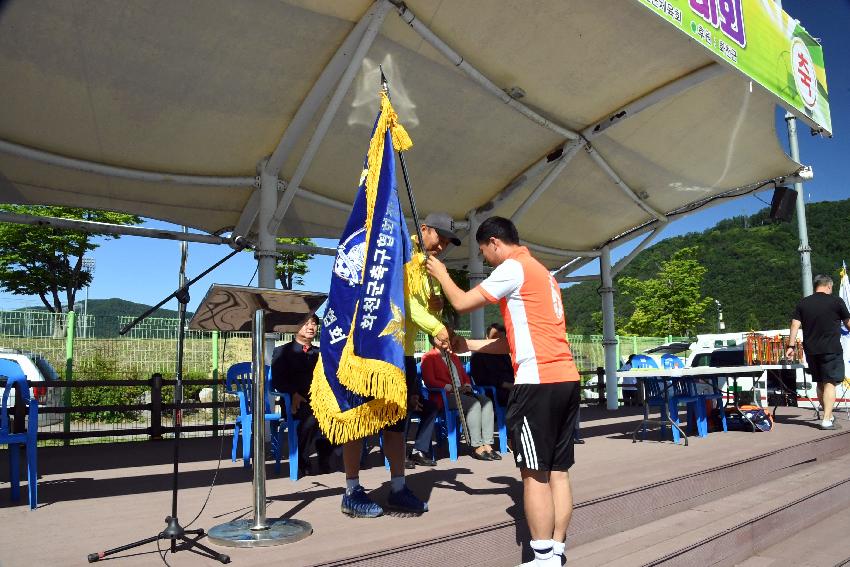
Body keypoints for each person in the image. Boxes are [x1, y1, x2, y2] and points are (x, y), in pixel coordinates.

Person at [427, 216, 580, 567]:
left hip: (537, 383)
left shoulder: (514, 267)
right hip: (565, 378)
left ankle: (541, 557)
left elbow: (464, 303)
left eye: (484, 253)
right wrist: (467, 345)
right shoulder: (543, 273)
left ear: (495, 242)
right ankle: (555, 552)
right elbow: (514, 342)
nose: (486, 260)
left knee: (533, 473)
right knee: (558, 471)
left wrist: (441, 274)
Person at [339, 212, 459, 518]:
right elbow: (402, 300)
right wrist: (435, 326)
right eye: (439, 238)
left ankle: (398, 486)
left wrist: (438, 308)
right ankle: (351, 489)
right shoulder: (400, 250)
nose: (442, 246)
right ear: (424, 229)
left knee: (396, 423)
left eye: (447, 242)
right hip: (372, 348)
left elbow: (426, 303)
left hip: (402, 353)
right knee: (359, 419)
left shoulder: (428, 263)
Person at [270, 314, 332, 477]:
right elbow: (277, 380)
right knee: (312, 415)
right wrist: (293, 393)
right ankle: (303, 460)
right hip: (294, 402)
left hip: (319, 401)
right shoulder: (282, 351)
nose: (311, 327)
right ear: (295, 328)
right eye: (306, 324)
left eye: (314, 324)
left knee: (340, 414)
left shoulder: (320, 353)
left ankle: (325, 453)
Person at [786, 274, 850, 430]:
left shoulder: (803, 303)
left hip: (811, 350)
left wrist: (791, 347)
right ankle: (827, 419)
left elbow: (795, 325)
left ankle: (828, 415)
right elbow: (848, 324)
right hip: (831, 349)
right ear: (828, 286)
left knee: (820, 382)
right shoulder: (836, 301)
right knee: (830, 382)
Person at [421, 336, 499, 461]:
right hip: (446, 396)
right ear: (432, 339)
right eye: (438, 337)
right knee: (473, 404)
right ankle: (477, 446)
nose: (443, 339)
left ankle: (488, 444)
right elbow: (429, 380)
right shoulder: (428, 357)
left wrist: (467, 385)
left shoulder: (453, 356)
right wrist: (450, 387)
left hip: (462, 392)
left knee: (487, 402)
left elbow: (464, 376)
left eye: (445, 337)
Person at [470, 323, 514, 406]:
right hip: (493, 391)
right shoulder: (478, 356)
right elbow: (481, 380)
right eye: (494, 337)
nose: (498, 341)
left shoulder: (504, 355)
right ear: (487, 337)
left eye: (501, 338)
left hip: (512, 388)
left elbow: (512, 372)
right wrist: (504, 384)